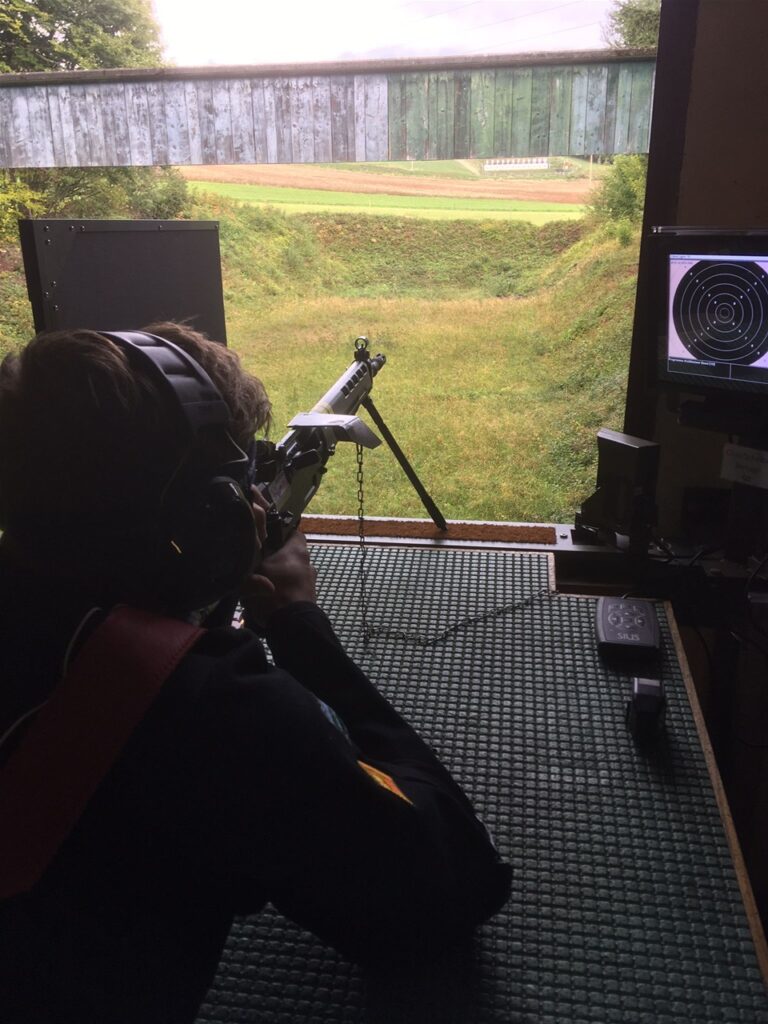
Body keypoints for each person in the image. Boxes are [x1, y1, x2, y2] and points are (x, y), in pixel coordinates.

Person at [0, 324, 511, 1024]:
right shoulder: (210, 713)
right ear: (207, 520)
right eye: (241, 489)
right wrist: (301, 625)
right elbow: (453, 889)